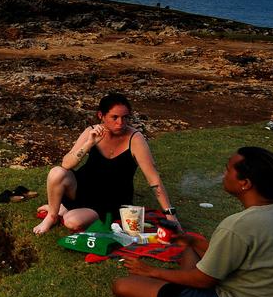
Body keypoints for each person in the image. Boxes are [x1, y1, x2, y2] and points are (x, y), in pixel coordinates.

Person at [111, 146, 273, 297]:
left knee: (124, 286)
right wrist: (190, 241)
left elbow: (204, 280)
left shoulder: (238, 226)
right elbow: (236, 256)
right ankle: (177, 288)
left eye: (228, 169)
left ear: (245, 183)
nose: (224, 173)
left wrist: (151, 272)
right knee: (188, 247)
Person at [33, 93, 178, 234]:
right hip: (82, 189)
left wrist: (170, 214)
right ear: (101, 115)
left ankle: (63, 209)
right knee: (56, 172)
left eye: (125, 117)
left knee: (72, 221)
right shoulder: (91, 131)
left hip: (110, 201)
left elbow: (153, 179)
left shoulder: (135, 139)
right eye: (114, 117)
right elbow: (66, 164)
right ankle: (52, 216)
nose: (120, 123)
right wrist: (89, 143)